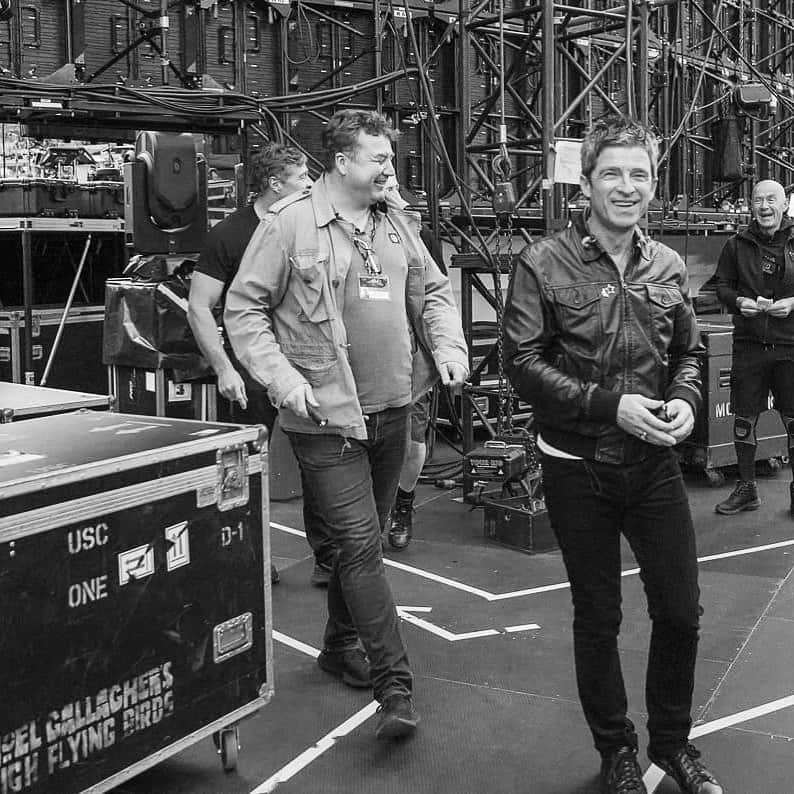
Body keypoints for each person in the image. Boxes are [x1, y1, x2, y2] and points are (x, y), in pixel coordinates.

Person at [224, 109, 468, 740]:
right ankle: (396, 685)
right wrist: (284, 382)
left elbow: (434, 292)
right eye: (379, 159)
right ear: (341, 163)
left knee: (367, 540)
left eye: (391, 158)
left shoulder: (397, 221)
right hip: (325, 419)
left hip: (393, 408)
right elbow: (243, 309)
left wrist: (448, 348)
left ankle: (337, 646)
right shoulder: (289, 225)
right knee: (360, 547)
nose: (391, 169)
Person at [503, 116, 722, 794]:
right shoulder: (542, 263)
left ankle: (674, 744)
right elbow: (521, 362)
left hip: (653, 464)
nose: (626, 187)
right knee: (598, 616)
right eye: (613, 174)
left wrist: (686, 397)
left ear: (652, 186)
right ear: (587, 183)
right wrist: (608, 404)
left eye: (639, 175)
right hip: (576, 466)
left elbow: (687, 350)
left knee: (681, 611)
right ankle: (615, 752)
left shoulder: (667, 265)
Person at [188, 142, 328, 585]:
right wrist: (225, 369)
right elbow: (199, 306)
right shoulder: (229, 234)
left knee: (322, 463)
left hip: (306, 365)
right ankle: (251, 553)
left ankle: (328, 558)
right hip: (251, 370)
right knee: (250, 466)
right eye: (302, 176)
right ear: (273, 183)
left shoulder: (308, 226)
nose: (309, 184)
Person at [712, 178, 794, 516]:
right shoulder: (736, 245)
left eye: (771, 199)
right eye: (758, 200)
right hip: (748, 345)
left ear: (785, 205)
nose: (764, 206)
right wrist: (739, 301)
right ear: (751, 206)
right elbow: (721, 286)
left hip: (791, 345)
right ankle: (746, 488)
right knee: (743, 419)